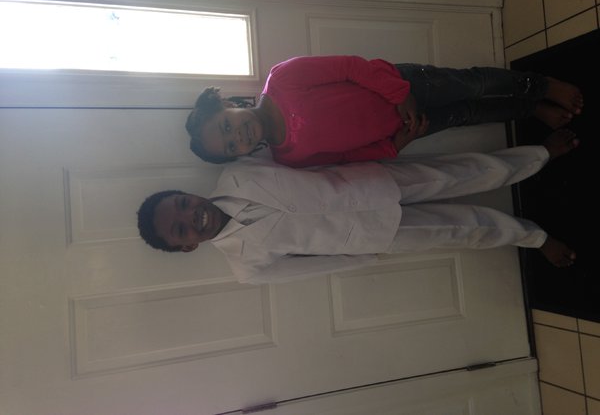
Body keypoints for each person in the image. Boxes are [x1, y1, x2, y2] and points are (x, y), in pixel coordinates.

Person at [138, 129, 578, 284]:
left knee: (461, 172)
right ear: (188, 246)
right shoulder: (246, 267)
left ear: (186, 193)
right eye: (181, 229)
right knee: (462, 228)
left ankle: (538, 155)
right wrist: (365, 255)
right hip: (374, 235)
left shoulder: (238, 170)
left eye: (182, 204)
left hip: (369, 181)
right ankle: (533, 237)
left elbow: (297, 149)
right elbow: (312, 268)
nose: (191, 215)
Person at [184, 55, 583, 168]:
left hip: (404, 85)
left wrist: (398, 93)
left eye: (226, 127)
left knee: (472, 84)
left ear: (229, 106)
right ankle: (532, 109)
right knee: (468, 114)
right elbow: (346, 157)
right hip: (405, 128)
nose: (238, 137)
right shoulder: (289, 158)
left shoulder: (282, 79)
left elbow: (350, 67)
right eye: (231, 146)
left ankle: (540, 85)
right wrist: (395, 145)